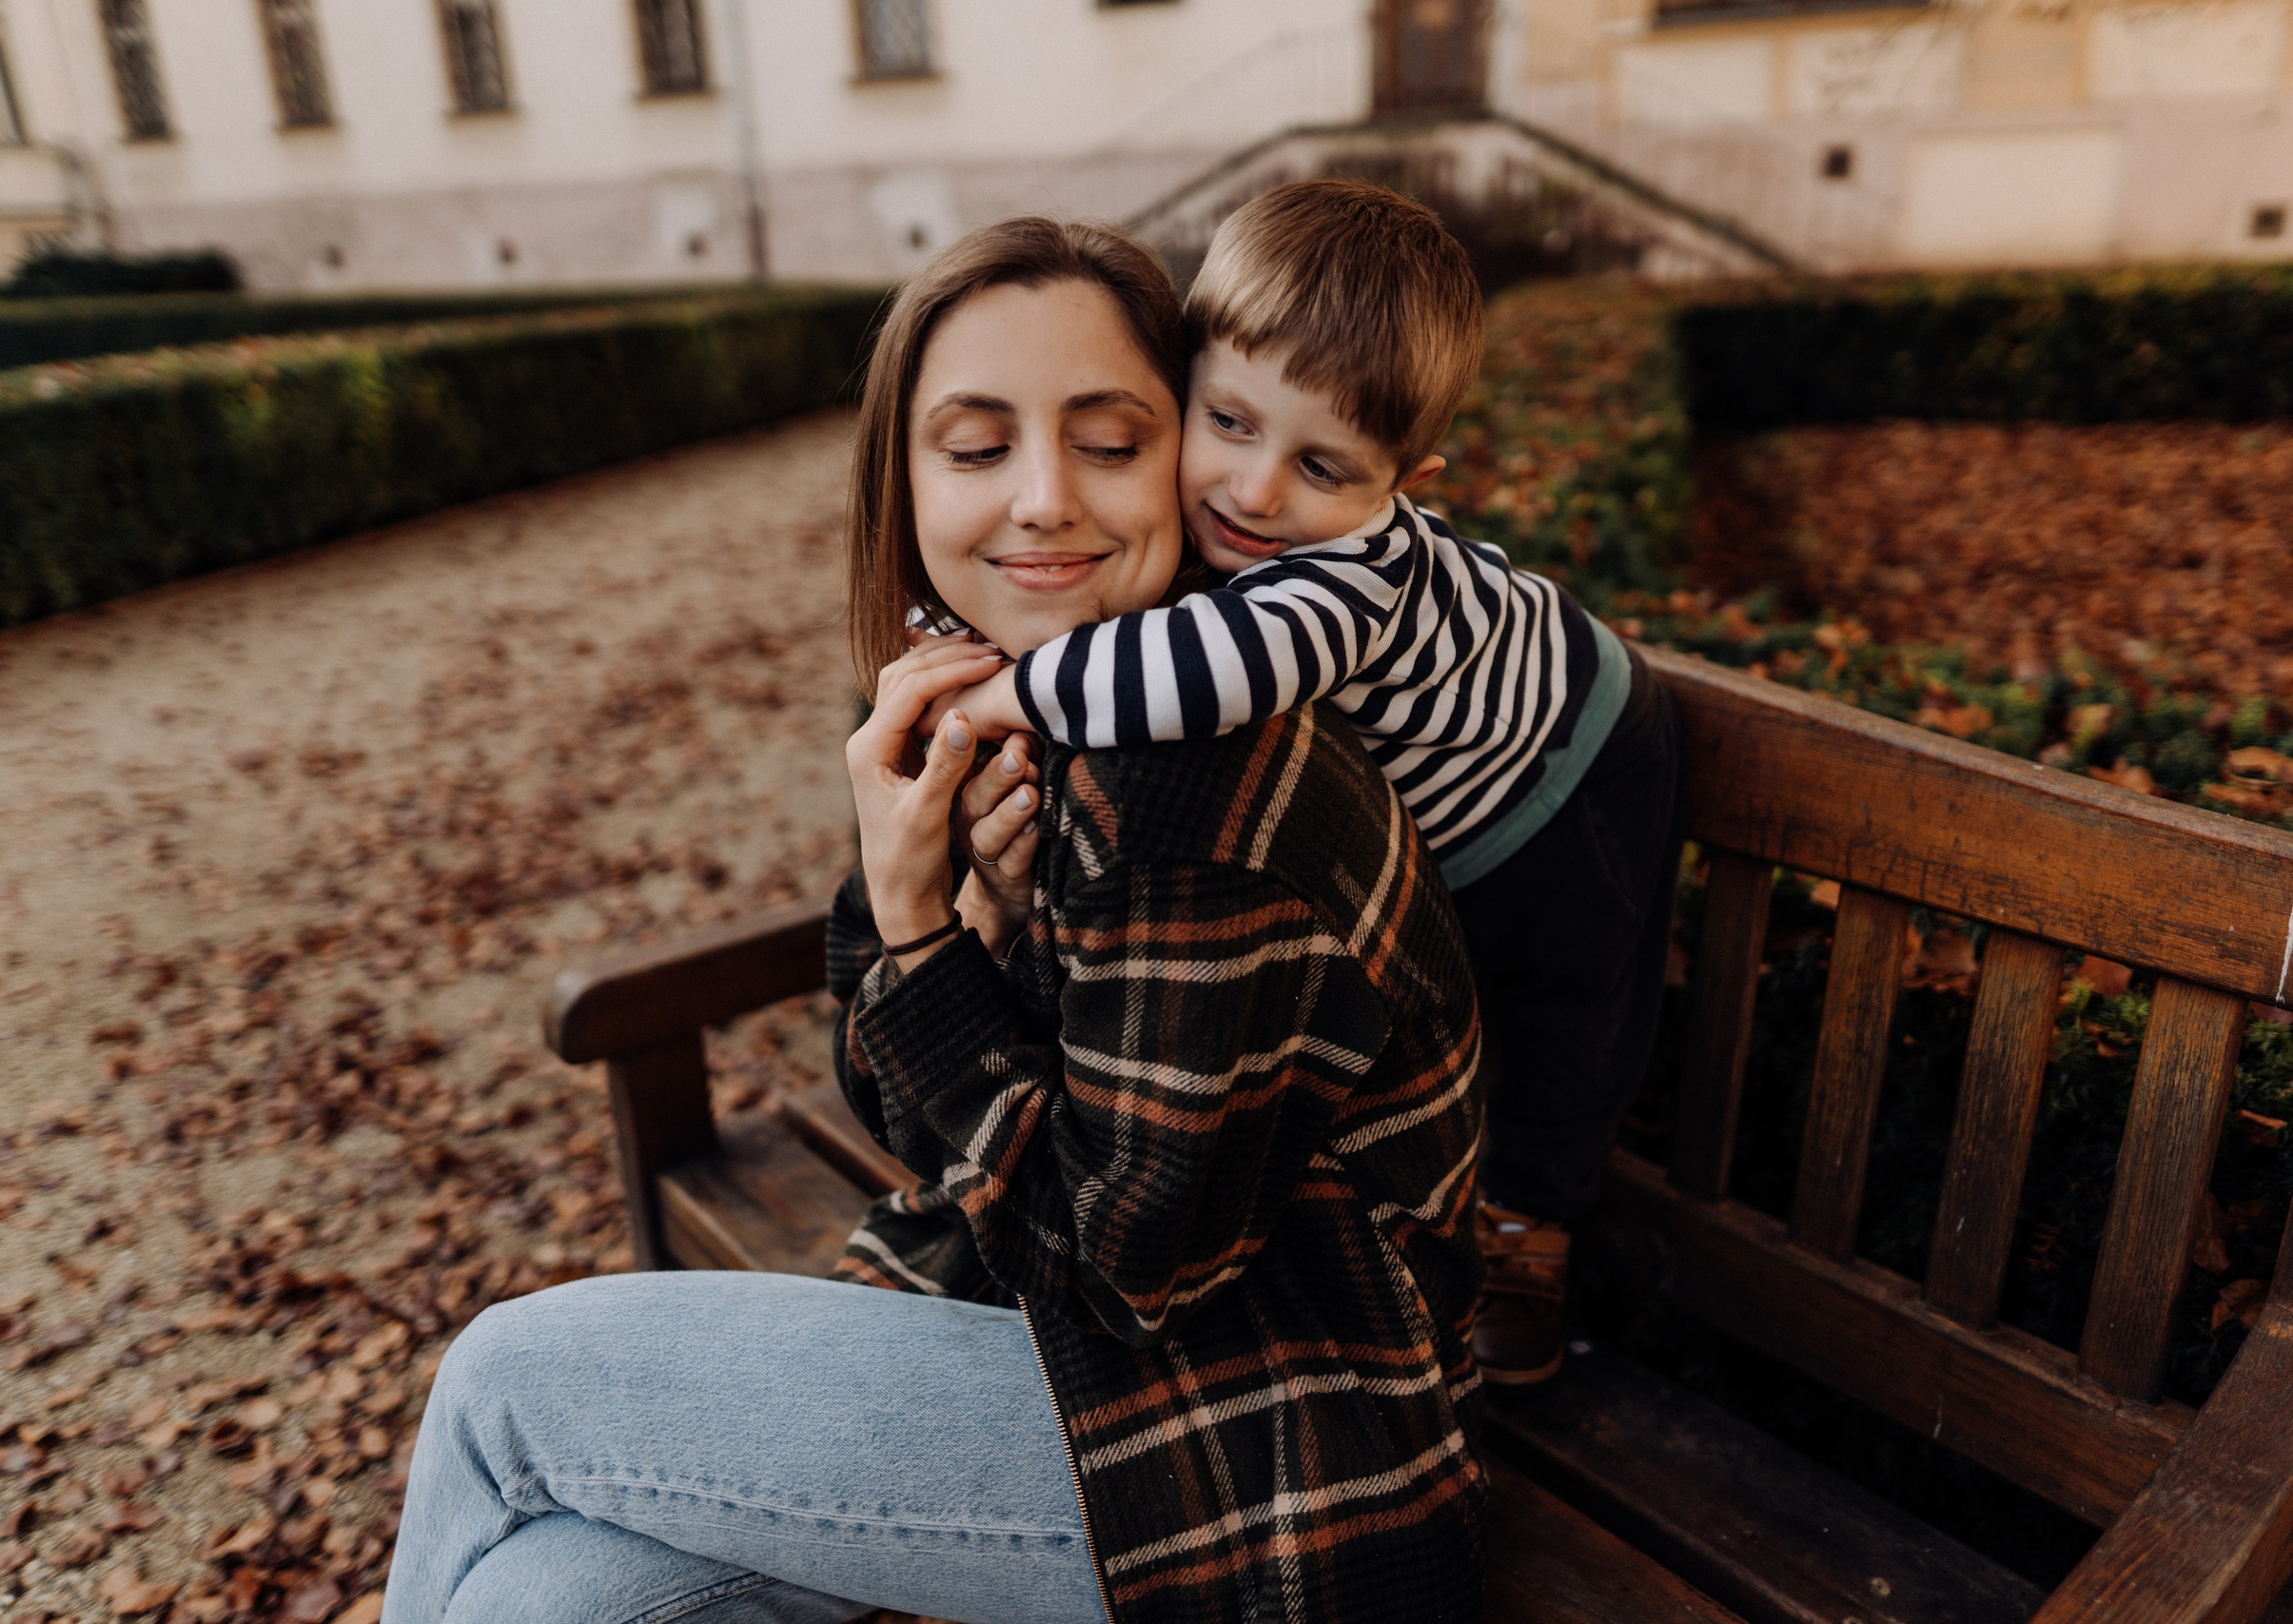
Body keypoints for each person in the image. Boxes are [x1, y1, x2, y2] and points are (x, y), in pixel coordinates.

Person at [383, 216, 1487, 1624]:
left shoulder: (1195, 791)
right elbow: (911, 1121)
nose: (1043, 501)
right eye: (977, 448)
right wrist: (945, 914)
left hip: (1279, 1436)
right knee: (540, 1604)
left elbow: (1127, 1277)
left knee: (509, 1380)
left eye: (1108, 439)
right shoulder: (987, 691)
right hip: (1057, 1338)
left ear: (1188, 456)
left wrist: (925, 945)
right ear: (900, 483)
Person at [934, 180, 1686, 1386]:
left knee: (1561, 1015)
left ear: (1405, 478)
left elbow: (1205, 667)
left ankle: (1528, 1223)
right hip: (1469, 733)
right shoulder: (1240, 528)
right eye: (1227, 423)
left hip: (1567, 771)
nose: (1257, 491)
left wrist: (1001, 692)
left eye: (1322, 463)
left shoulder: (1339, 584)